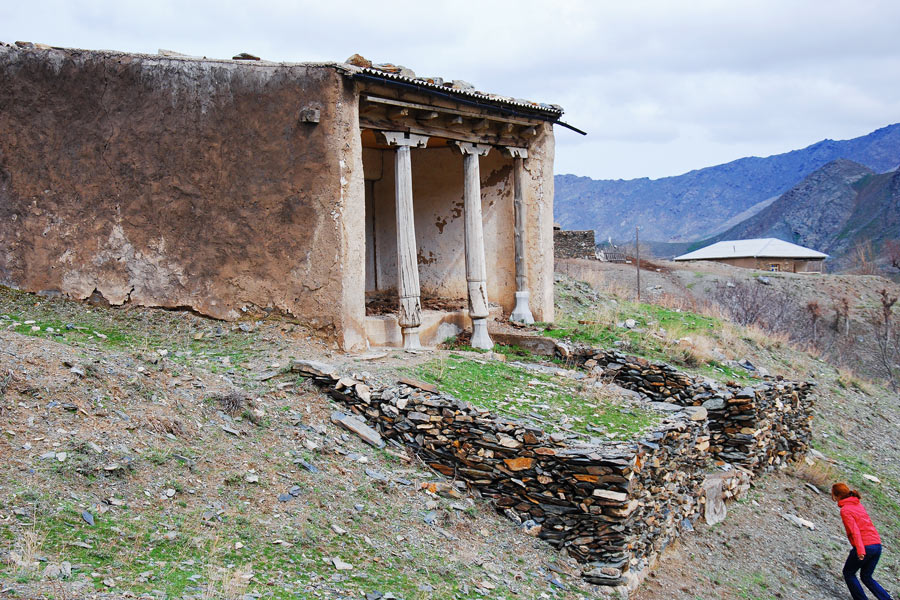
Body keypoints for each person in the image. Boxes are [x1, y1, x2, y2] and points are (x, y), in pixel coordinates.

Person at [832, 482, 894, 600]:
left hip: (865, 546)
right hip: (877, 545)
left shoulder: (845, 510)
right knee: (866, 576)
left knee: (849, 573)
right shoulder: (857, 505)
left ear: (837, 495)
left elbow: (855, 531)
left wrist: (860, 550)